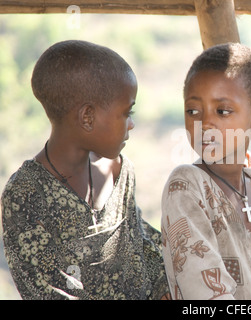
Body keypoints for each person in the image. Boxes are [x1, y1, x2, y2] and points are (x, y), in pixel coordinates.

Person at [1, 40, 169, 300]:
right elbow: (44, 290)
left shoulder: (120, 172)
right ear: (87, 117)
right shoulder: (25, 194)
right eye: (126, 113)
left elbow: (144, 252)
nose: (132, 124)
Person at [160, 43, 251, 300]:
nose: (204, 123)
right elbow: (204, 292)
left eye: (222, 111)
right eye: (193, 111)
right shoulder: (187, 187)